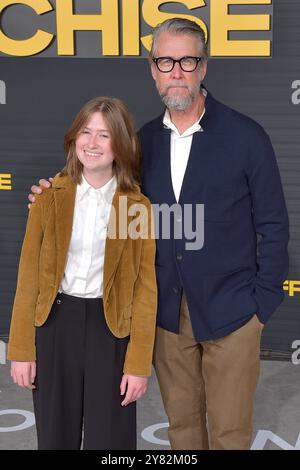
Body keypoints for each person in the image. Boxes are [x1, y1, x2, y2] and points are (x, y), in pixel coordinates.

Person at [27, 18, 289, 450]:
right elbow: (99, 182)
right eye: (166, 61)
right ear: (153, 68)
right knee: (182, 430)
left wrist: (261, 305)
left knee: (230, 433)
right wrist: (50, 192)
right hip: (167, 318)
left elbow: (274, 226)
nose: (177, 71)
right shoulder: (141, 142)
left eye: (187, 60)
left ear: (203, 67)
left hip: (234, 313)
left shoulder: (247, 137)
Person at [7, 96, 157, 450]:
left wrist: (138, 364)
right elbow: (28, 278)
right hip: (56, 325)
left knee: (112, 439)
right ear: (74, 138)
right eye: (85, 132)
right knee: (55, 435)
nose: (92, 143)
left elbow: (144, 289)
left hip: (111, 330)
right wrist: (21, 350)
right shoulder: (49, 198)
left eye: (104, 135)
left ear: (120, 145)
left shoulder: (133, 206)